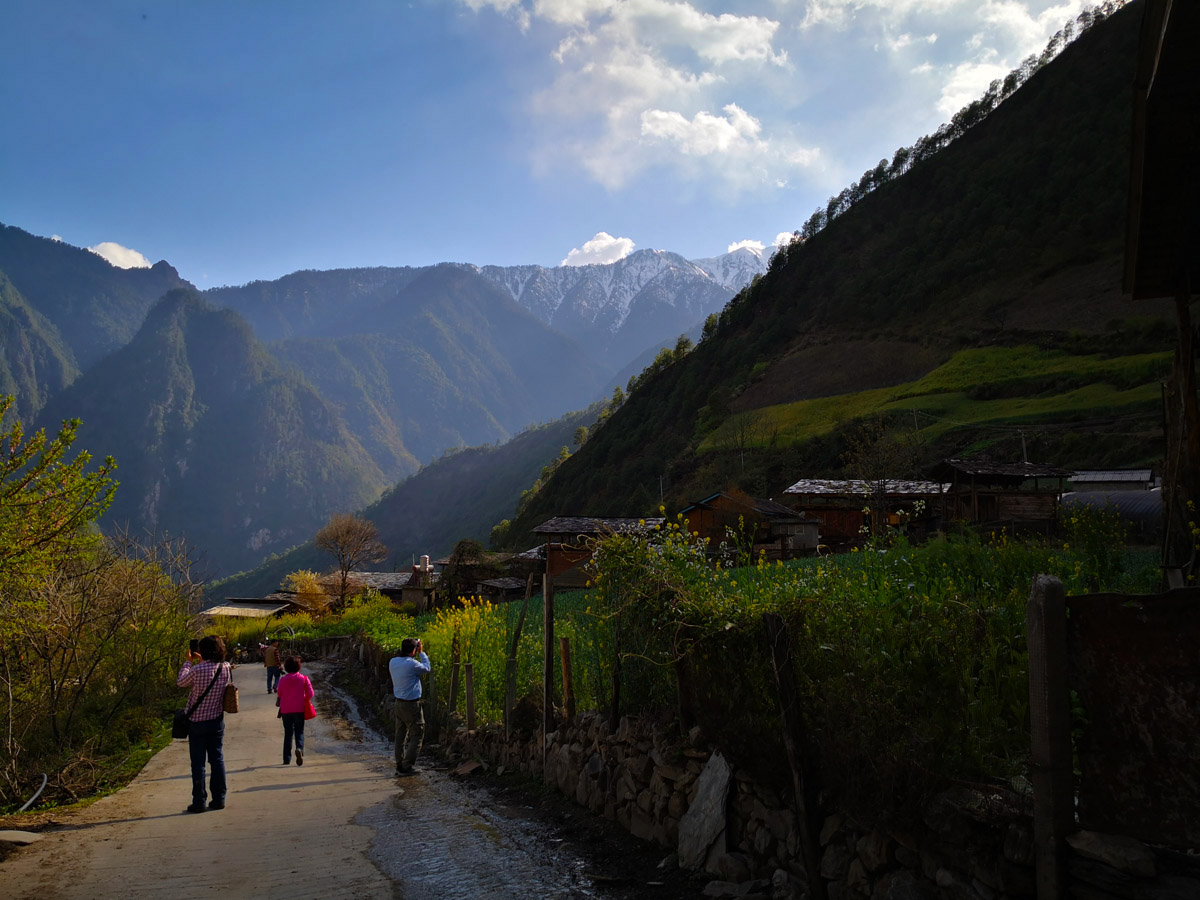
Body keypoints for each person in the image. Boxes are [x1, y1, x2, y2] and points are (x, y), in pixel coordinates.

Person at [177, 635, 231, 813]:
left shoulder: (197, 670)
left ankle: (199, 801)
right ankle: (219, 799)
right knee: (217, 759)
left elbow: (181, 682)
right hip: (216, 721)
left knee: (198, 763)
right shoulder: (225, 667)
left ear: (201, 651)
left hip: (197, 722)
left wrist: (188, 662)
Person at [388, 637, 430, 775]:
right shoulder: (412, 664)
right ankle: (407, 766)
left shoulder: (393, 662)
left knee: (400, 734)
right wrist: (422, 653)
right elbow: (427, 668)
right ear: (413, 651)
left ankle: (399, 762)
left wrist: (413, 649)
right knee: (417, 734)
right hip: (412, 705)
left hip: (398, 703)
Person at [276, 655, 314, 766]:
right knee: (299, 731)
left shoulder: (283, 680)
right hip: (299, 709)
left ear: (286, 667)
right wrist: (303, 699)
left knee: (288, 733)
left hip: (286, 710)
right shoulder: (303, 679)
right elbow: (311, 694)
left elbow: (279, 693)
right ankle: (299, 749)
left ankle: (286, 759)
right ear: (299, 667)